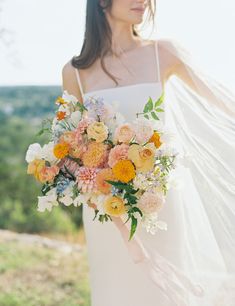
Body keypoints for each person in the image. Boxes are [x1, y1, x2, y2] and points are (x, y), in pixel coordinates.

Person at [62, 1, 235, 305]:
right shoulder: (76, 72)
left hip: (161, 206)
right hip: (107, 213)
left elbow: (222, 101)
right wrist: (129, 237)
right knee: (117, 293)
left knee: (168, 295)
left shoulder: (163, 52)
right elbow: (72, 155)